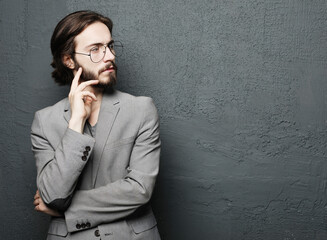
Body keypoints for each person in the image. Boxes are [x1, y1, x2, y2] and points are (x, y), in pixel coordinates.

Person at [31, 10, 161, 240]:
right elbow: (52, 194)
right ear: (68, 59)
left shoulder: (141, 110)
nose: (109, 56)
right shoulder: (45, 122)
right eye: (95, 49)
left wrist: (65, 210)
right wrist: (76, 123)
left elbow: (140, 190)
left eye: (110, 46)